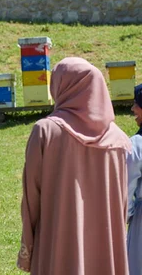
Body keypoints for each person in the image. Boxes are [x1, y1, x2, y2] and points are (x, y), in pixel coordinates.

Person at [17, 57, 131, 274]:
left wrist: (28, 250)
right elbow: (121, 207)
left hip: (56, 249)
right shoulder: (119, 140)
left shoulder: (45, 132)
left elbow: (31, 200)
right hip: (105, 252)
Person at [127, 84, 142, 274]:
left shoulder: (137, 145)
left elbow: (125, 188)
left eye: (137, 104)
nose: (132, 109)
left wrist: (129, 213)